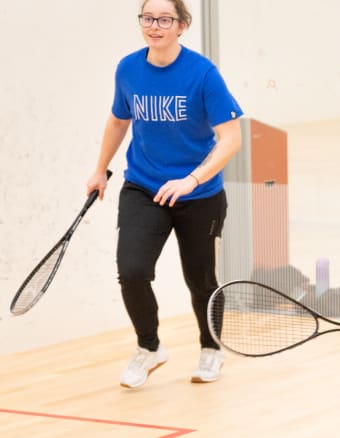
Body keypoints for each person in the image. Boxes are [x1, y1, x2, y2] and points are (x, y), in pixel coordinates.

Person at [87, 0, 243, 389]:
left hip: (199, 194)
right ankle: (150, 347)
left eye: (164, 19)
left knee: (201, 279)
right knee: (133, 271)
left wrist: (192, 179)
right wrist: (99, 168)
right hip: (143, 186)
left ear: (182, 26)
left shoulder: (203, 74)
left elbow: (231, 139)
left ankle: (211, 348)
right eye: (147, 18)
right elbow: (119, 119)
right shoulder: (128, 69)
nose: (154, 26)